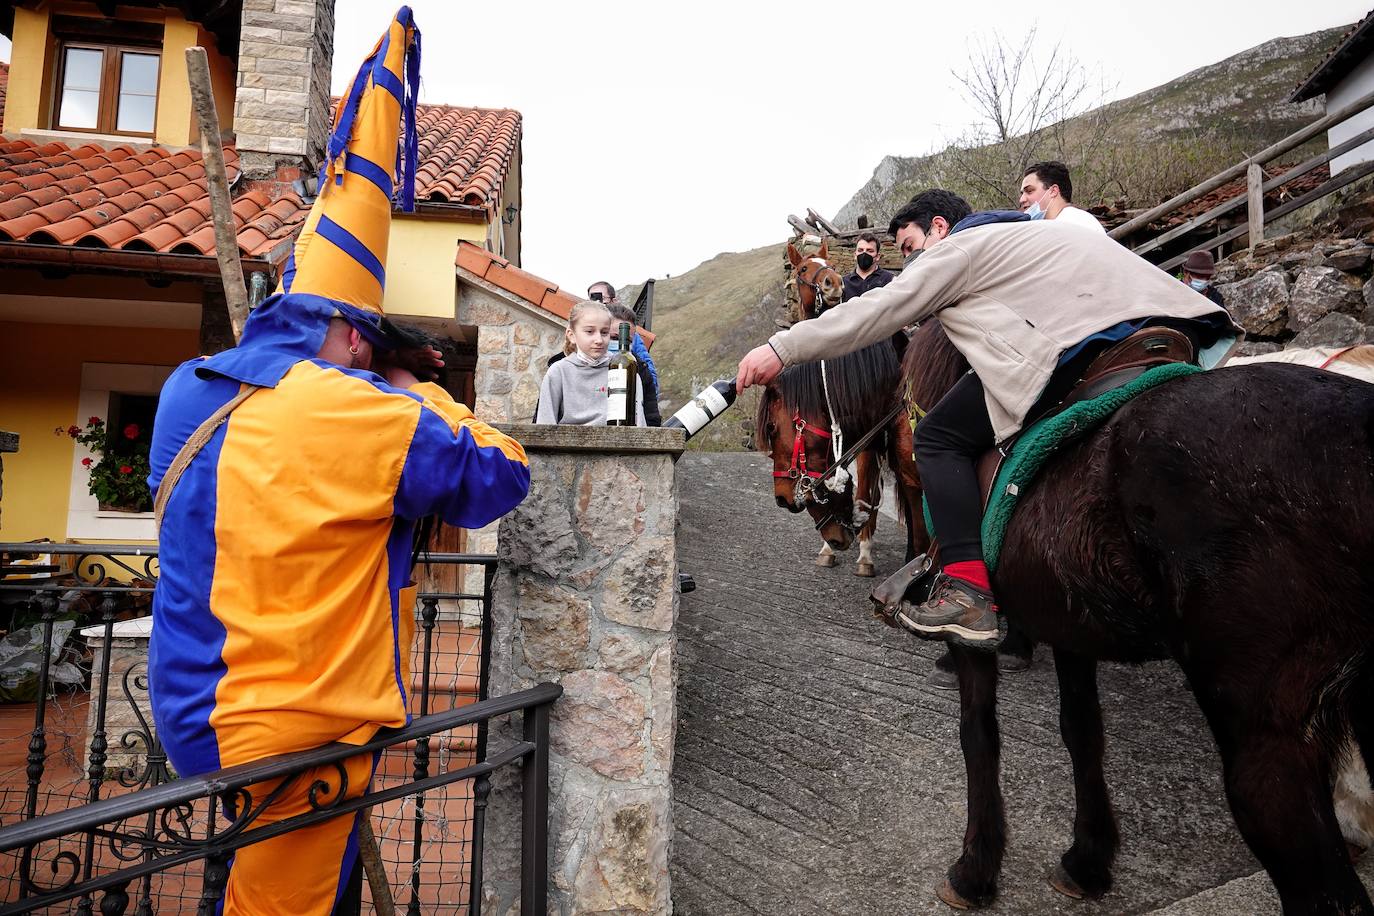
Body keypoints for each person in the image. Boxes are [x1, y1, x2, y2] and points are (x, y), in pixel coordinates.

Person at [147, 12, 530, 915]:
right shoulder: (359, 407)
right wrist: (417, 384)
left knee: (257, 879)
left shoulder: (185, 389)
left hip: (194, 705)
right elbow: (498, 475)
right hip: (294, 733)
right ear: (355, 335)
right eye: (373, 343)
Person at [736, 189, 1237, 649]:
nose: (908, 261)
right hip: (1175, 335)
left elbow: (878, 309)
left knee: (936, 437)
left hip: (1083, 351)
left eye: (909, 247)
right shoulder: (1043, 232)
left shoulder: (960, 247)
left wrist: (783, 348)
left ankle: (967, 589)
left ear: (938, 227)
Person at [536, 299, 646, 425]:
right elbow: (545, 425)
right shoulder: (558, 372)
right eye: (589, 331)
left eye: (604, 332)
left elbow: (639, 424)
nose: (599, 340)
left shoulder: (626, 371)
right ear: (571, 335)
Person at [607, 302, 662, 426]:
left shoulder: (641, 369)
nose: (620, 343)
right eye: (614, 338)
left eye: (628, 340)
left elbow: (652, 416)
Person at [1018, 161, 1105, 232]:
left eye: (1029, 191)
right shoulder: (1050, 227)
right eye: (1022, 193)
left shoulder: (1076, 223)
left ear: (1053, 191)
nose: (1022, 199)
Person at [842, 232, 896, 302]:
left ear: (877, 256)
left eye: (870, 251)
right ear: (855, 255)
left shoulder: (890, 280)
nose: (864, 254)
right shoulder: (843, 283)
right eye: (860, 250)